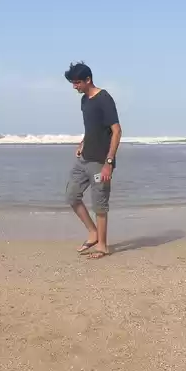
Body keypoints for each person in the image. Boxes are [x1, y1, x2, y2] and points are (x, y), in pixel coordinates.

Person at [63, 61, 121, 258]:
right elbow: (91, 128)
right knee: (71, 196)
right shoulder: (84, 100)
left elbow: (116, 131)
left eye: (77, 82)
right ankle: (93, 232)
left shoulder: (104, 99)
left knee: (100, 204)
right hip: (84, 159)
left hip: (100, 162)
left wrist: (109, 163)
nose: (74, 86)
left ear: (88, 80)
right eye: (73, 83)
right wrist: (82, 143)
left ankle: (102, 246)